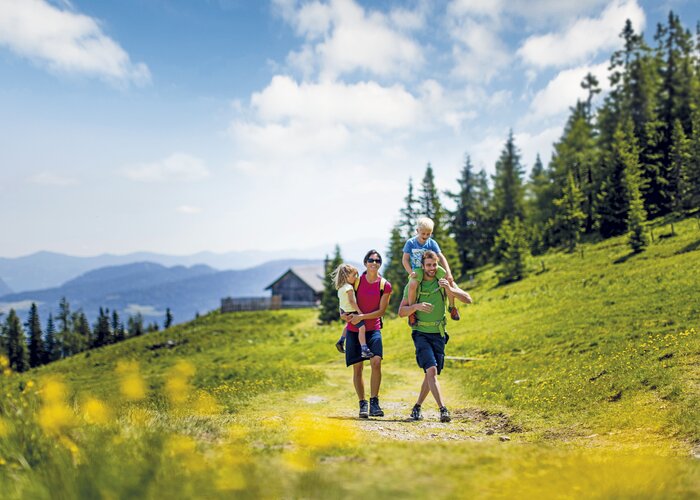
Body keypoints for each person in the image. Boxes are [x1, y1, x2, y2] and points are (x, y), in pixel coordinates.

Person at [398, 250, 472, 423]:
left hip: (439, 334)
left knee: (429, 375)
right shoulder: (413, 285)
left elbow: (468, 299)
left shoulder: (443, 281)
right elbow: (401, 312)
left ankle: (417, 407)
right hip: (421, 334)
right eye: (428, 265)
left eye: (434, 265)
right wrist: (416, 306)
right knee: (431, 370)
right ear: (422, 267)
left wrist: (449, 288)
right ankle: (443, 409)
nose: (432, 268)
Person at [341, 250, 392, 419]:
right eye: (371, 260)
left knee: (376, 362)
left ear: (380, 263)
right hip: (354, 330)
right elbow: (345, 301)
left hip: (373, 329)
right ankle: (363, 403)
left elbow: (381, 311)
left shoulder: (384, 285)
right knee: (358, 368)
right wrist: (342, 314)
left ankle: (374, 402)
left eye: (377, 260)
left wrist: (361, 316)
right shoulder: (356, 282)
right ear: (365, 263)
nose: (374, 262)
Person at [402, 217, 460, 326]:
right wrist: (410, 272)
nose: (425, 236)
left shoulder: (432, 243)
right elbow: (404, 260)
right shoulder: (410, 243)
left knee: (449, 281)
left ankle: (452, 306)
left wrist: (448, 272)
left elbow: (441, 257)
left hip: (432, 267)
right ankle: (411, 312)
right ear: (417, 231)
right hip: (418, 269)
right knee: (413, 284)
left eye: (428, 234)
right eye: (423, 233)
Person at [330, 263, 372, 358]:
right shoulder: (349, 288)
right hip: (352, 311)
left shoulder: (340, 288)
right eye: (354, 275)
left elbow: (341, 302)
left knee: (348, 325)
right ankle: (364, 349)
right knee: (362, 328)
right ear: (346, 276)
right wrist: (360, 312)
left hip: (345, 311)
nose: (356, 277)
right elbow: (352, 301)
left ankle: (341, 340)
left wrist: (342, 312)